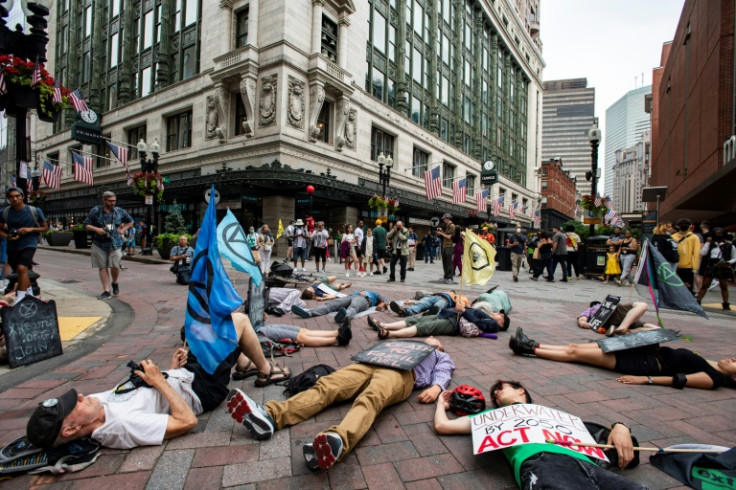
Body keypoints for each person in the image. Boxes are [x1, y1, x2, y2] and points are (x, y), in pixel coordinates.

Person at [24, 312, 290, 450]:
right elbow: (187, 422)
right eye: (75, 404)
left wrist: (168, 370)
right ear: (70, 430)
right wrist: (161, 381)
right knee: (239, 321)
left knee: (202, 326)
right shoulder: (120, 427)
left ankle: (243, 363)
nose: (81, 396)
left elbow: (145, 393)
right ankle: (266, 370)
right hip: (201, 390)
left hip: (182, 375)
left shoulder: (98, 407)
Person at [226, 337, 454, 470]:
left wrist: (436, 387)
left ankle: (337, 441)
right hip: (371, 364)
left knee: (371, 398)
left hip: (404, 374)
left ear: (440, 347)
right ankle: (270, 416)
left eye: (435, 341)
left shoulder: (438, 355)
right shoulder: (408, 343)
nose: (431, 340)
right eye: (428, 339)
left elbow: (444, 371)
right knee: (328, 385)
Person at [433, 380, 644, 489]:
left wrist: (621, 425)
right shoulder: (492, 415)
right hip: (544, 463)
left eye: (500, 388)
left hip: (589, 464)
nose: (495, 393)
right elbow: (443, 426)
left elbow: (603, 436)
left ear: (520, 391)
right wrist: (441, 405)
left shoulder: (554, 414)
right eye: (494, 394)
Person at [509, 327, 736, 391]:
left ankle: (528, 349)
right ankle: (534, 344)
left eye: (735, 363)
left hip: (642, 365)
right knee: (576, 347)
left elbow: (679, 380)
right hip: (643, 352)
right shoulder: (714, 363)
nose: (732, 358)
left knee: (577, 354)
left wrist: (645, 380)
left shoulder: (713, 378)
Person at [83, 191, 133, 299]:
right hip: (99, 243)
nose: (112, 203)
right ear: (104, 200)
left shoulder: (119, 211)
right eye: (110, 201)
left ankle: (115, 282)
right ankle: (106, 290)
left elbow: (130, 221)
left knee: (115, 265)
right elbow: (86, 224)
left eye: (114, 201)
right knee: (102, 266)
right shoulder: (96, 211)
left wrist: (123, 229)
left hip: (116, 242)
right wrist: (97, 229)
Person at [0, 187, 48, 300]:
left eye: (17, 196)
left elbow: (45, 228)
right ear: (8, 199)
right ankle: (30, 295)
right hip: (13, 245)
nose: (14, 199)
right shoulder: (5, 212)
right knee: (21, 271)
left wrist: (30, 229)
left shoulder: (34, 211)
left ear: (22, 196)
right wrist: (8, 236)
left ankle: (20, 299)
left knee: (22, 268)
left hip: (29, 243)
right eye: (11, 197)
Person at [370, 302, 507, 339]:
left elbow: (479, 323)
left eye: (501, 315)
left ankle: (390, 334)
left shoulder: (493, 324)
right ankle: (384, 325)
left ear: (501, 323)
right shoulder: (489, 316)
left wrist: (464, 311)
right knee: (417, 319)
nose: (497, 313)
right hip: (451, 315)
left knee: (425, 327)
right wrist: (463, 307)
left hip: (454, 324)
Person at [696, 227, 736, 310]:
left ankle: (726, 304)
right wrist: (707, 242)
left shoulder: (729, 245)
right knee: (705, 285)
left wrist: (727, 263)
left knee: (723, 285)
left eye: (720, 233)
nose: (718, 235)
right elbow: (703, 253)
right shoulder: (711, 244)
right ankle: (698, 301)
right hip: (712, 265)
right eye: (716, 233)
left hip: (723, 266)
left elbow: (734, 257)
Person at [292, 289, 387, 322]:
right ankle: (309, 312)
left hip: (364, 300)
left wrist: (382, 304)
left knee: (354, 306)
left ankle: (345, 316)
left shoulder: (376, 295)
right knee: (332, 304)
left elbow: (386, 302)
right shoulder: (359, 291)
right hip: (351, 296)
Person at [577, 300, 658, 337]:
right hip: (613, 315)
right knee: (643, 305)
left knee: (658, 330)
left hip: (625, 318)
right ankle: (622, 328)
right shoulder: (594, 307)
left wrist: (582, 321)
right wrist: (582, 322)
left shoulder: (597, 308)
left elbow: (583, 317)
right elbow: (583, 317)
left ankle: (621, 330)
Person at [672, 218, 701, 294]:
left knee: (688, 287)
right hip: (675, 266)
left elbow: (696, 253)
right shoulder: (673, 237)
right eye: (681, 225)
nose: (684, 226)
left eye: (686, 225)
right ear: (678, 226)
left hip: (688, 267)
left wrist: (694, 268)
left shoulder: (694, 237)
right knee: (676, 287)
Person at [389, 290, 469, 317]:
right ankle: (406, 311)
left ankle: (430, 313)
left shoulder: (459, 296)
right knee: (421, 304)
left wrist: (458, 301)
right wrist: (411, 302)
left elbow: (466, 305)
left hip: (445, 300)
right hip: (433, 297)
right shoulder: (443, 292)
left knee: (438, 306)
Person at [437, 213, 456, 284]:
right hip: (445, 245)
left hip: (449, 246)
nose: (443, 220)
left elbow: (449, 237)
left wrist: (441, 233)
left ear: (448, 218)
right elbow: (446, 235)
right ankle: (446, 276)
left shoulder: (452, 226)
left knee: (448, 262)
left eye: (444, 219)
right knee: (444, 262)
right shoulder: (447, 226)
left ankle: (450, 277)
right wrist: (442, 231)